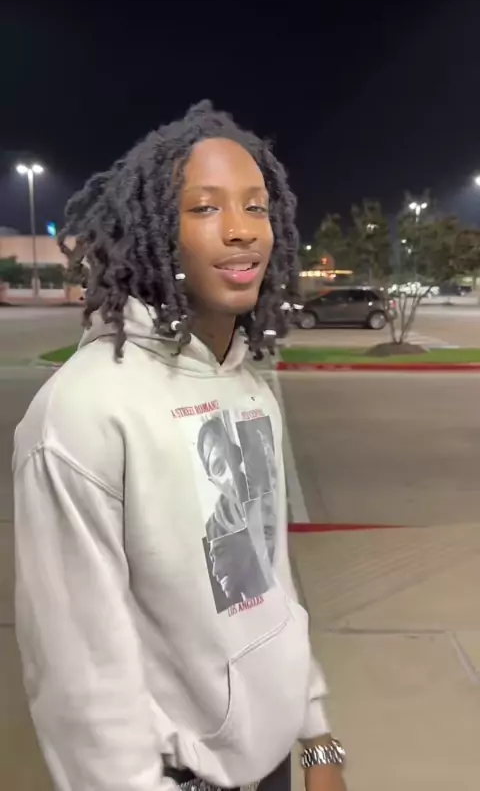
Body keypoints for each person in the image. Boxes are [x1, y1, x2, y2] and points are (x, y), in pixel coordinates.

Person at [13, 101, 347, 791]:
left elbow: (273, 588)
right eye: (205, 208)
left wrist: (318, 741)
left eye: (255, 207)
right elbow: (80, 679)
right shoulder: (84, 411)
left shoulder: (250, 389)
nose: (241, 230)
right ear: (156, 231)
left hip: (275, 764)